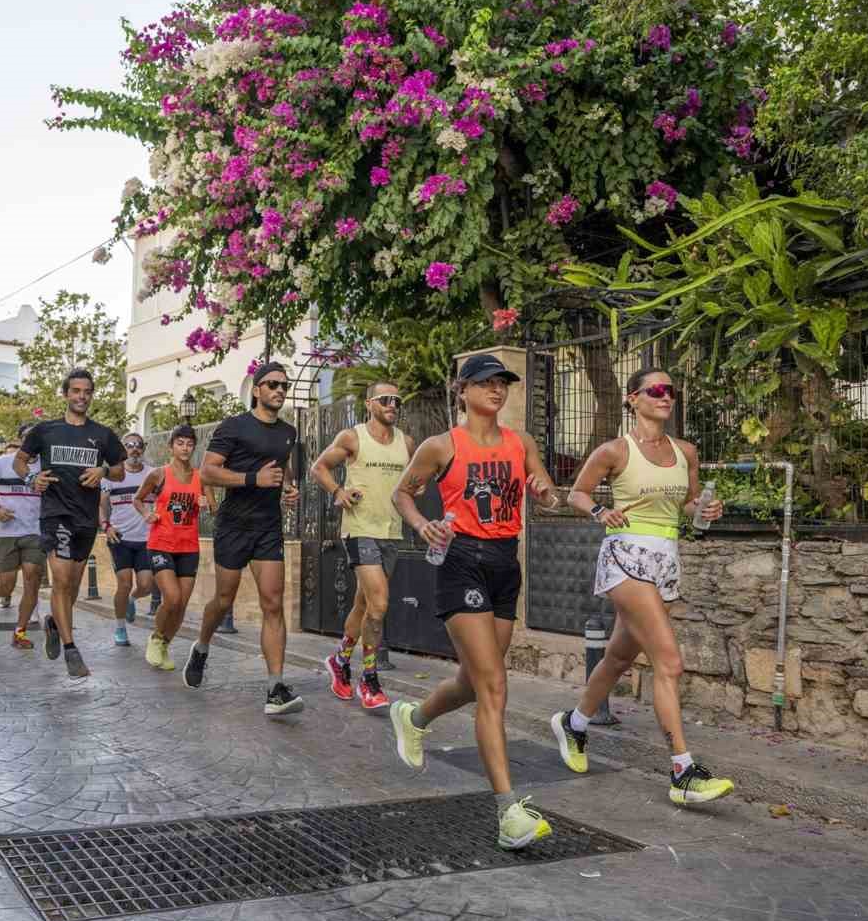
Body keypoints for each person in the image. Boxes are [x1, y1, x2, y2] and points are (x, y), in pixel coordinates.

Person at [387, 353, 560, 851]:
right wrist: (423, 524)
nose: (497, 390)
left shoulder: (519, 442)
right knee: (493, 685)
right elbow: (405, 494)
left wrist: (544, 492)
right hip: (461, 559)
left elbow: (546, 495)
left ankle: (414, 718)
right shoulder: (442, 446)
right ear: (462, 390)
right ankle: (510, 812)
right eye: (486, 383)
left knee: (472, 681)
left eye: (502, 383)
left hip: (506, 563)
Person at [553, 367, 734, 806]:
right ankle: (682, 772)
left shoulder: (685, 451)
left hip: (665, 559)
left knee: (618, 657)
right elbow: (577, 493)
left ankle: (574, 724)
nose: (666, 396)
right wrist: (599, 512)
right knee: (669, 662)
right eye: (656, 390)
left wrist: (705, 510)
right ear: (633, 399)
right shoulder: (615, 450)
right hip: (625, 556)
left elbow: (688, 503)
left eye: (671, 390)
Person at [186, 362, 303, 715]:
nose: (279, 390)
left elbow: (283, 470)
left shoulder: (288, 432)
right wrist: (254, 479)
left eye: (284, 385)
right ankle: (202, 646)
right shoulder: (234, 427)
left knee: (272, 603)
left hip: (268, 527)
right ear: (256, 389)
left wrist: (289, 488)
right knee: (223, 600)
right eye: (272, 384)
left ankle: (275, 688)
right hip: (234, 526)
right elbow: (207, 471)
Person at [310, 381, 416, 709]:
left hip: (391, 532)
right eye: (385, 399)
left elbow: (414, 482)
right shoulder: (352, 438)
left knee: (364, 604)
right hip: (359, 530)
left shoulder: (407, 443)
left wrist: (416, 488)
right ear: (370, 403)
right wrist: (339, 493)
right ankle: (369, 680)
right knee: (380, 604)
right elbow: (319, 468)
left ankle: (340, 661)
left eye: (396, 400)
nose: (392, 405)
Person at [17, 369, 127, 678]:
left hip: (86, 518)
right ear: (66, 394)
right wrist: (31, 478)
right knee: (62, 580)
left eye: (87, 391)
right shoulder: (45, 430)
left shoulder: (103, 434)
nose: (81, 396)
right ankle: (71, 648)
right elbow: (19, 461)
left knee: (73, 586)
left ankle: (54, 622)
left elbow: (120, 470)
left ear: (91, 395)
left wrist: (103, 472)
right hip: (56, 514)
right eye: (76, 390)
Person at [134, 424, 207, 671]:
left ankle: (165, 643)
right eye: (180, 443)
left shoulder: (200, 477)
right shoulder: (159, 474)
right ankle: (155, 638)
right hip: (161, 543)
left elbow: (213, 506)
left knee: (181, 605)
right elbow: (138, 498)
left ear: (193, 447)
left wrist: (207, 503)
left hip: (189, 546)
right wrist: (147, 513)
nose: (185, 448)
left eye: (189, 444)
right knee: (172, 598)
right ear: (171, 446)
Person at [0, 426, 44, 649]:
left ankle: (20, 632)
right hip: (6, 533)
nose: (32, 441)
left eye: (36, 437)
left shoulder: (47, 465)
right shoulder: (3, 462)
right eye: (28, 438)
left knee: (32, 579)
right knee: (7, 586)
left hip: (35, 532)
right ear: (21, 440)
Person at [102, 432, 155, 647]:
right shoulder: (112, 476)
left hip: (147, 539)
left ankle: (132, 600)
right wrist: (106, 526)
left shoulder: (153, 474)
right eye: (129, 445)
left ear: (143, 449)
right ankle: (120, 628)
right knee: (123, 584)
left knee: (146, 585)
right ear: (123, 450)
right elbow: (101, 504)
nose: (134, 449)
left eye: (138, 445)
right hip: (120, 537)